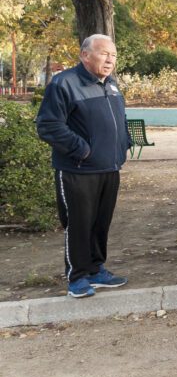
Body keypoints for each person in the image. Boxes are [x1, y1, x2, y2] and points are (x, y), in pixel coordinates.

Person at [36, 34, 132, 299]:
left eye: (113, 54)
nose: (110, 59)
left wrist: (126, 141)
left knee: (101, 223)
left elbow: (119, 119)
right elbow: (48, 126)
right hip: (77, 170)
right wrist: (83, 149)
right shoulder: (64, 83)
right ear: (85, 55)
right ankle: (77, 277)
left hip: (109, 168)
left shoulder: (111, 84)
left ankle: (96, 269)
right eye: (103, 53)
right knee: (79, 225)